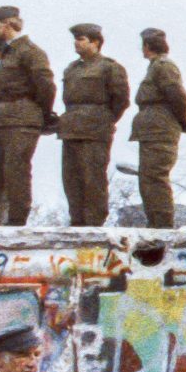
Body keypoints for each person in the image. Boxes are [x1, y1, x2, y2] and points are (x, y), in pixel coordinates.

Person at [0, 7, 52, 226]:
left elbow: (45, 85)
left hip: (21, 119)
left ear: (8, 24)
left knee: (15, 168)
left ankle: (17, 219)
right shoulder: (9, 53)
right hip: (1, 119)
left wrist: (41, 114)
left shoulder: (30, 51)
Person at [55, 23, 130, 226]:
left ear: (95, 42)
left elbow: (121, 100)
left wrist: (104, 119)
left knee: (93, 178)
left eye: (81, 39)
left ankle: (94, 223)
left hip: (95, 130)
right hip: (71, 128)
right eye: (76, 39)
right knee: (71, 179)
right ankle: (77, 221)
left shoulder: (109, 67)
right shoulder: (71, 68)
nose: (76, 43)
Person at [129, 28, 186, 228]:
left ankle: (162, 226)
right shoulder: (156, 66)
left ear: (148, 46)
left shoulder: (163, 66)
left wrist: (183, 121)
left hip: (160, 130)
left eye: (144, 45)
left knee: (155, 178)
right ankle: (156, 224)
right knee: (148, 179)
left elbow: (178, 96)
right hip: (152, 130)